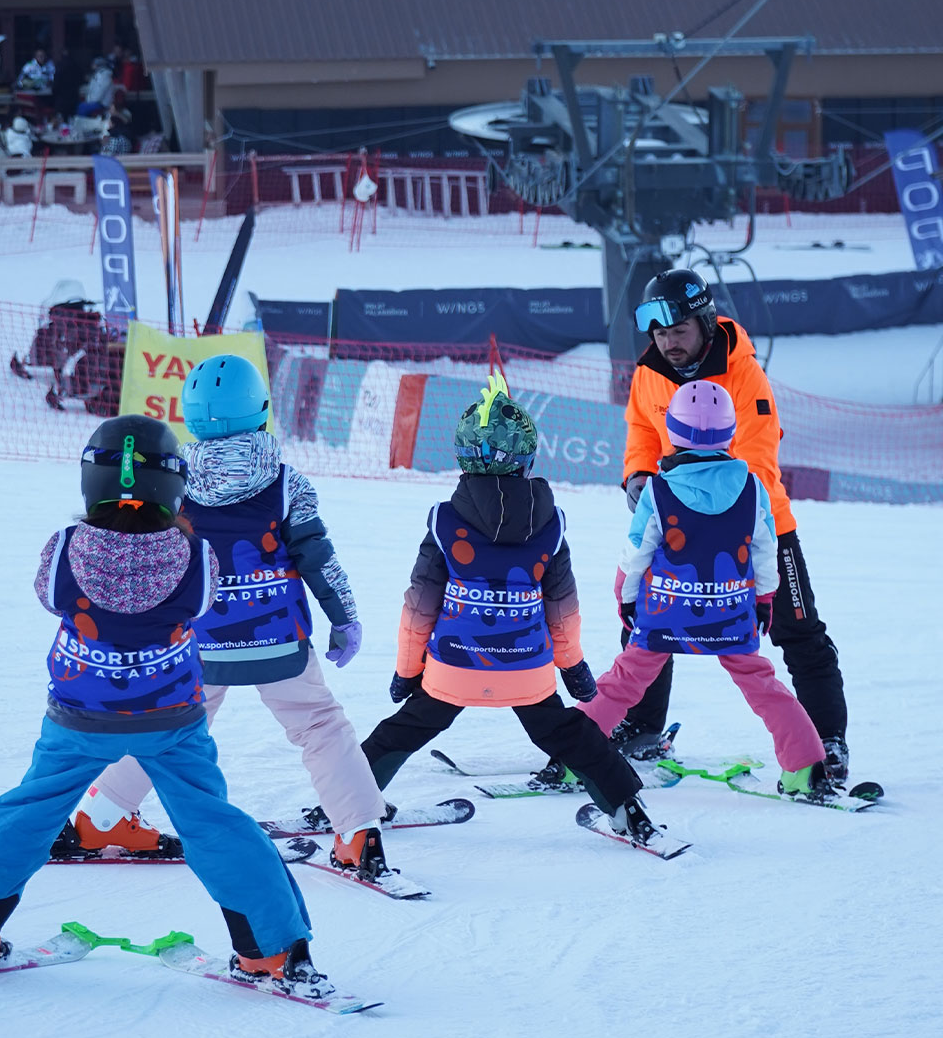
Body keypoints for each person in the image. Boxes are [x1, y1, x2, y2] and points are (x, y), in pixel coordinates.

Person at [0, 415, 332, 990]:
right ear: (173, 485)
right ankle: (269, 952)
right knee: (214, 822)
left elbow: (51, 599)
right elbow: (198, 608)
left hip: (79, 719)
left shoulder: (65, 548)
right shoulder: (196, 558)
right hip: (171, 719)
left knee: (24, 817)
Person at [57, 355, 393, 882]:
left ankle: (100, 818)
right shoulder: (286, 483)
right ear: (261, 410)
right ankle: (356, 834)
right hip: (276, 638)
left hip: (196, 642)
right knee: (320, 725)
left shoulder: (171, 482)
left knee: (167, 732)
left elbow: (143, 556)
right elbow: (318, 558)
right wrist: (343, 616)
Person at [359, 370, 662, 846]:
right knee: (570, 734)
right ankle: (629, 810)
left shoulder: (445, 521)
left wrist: (406, 671)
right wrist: (574, 668)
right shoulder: (550, 525)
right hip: (527, 672)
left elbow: (418, 608)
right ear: (528, 456)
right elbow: (563, 611)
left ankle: (348, 803)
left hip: (454, 666)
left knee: (402, 730)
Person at [615, 267, 849, 782]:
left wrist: (711, 509)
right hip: (676, 524)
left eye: (678, 332)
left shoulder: (744, 376)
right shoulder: (650, 371)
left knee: (798, 631)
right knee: (649, 624)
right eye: (659, 334)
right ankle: (640, 726)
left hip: (759, 527)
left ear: (703, 322)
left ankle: (826, 739)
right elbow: (640, 428)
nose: (668, 343)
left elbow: (760, 462)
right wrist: (636, 473)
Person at [579, 380, 832, 797]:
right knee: (765, 688)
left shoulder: (658, 489)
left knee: (622, 682)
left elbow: (636, 552)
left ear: (673, 432)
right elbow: (766, 551)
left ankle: (576, 756)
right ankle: (805, 767)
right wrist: (765, 599)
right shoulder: (752, 487)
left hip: (666, 614)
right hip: (729, 613)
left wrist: (625, 597)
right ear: (730, 432)